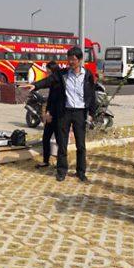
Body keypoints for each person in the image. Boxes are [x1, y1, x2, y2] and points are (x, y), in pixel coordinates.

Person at [28, 47, 97, 182]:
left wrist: (91, 113)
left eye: (73, 59)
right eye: (69, 59)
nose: (70, 62)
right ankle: (61, 171)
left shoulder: (88, 75)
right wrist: (35, 86)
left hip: (80, 113)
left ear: (80, 60)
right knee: (62, 143)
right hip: (64, 112)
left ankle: (81, 171)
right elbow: (48, 81)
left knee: (81, 145)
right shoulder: (62, 73)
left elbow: (91, 95)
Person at [36, 61, 61, 168]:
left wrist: (50, 114)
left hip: (58, 116)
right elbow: (50, 100)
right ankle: (46, 160)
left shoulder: (58, 83)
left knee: (60, 140)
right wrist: (47, 113)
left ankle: (61, 162)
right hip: (51, 115)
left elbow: (57, 102)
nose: (47, 73)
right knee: (46, 138)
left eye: (48, 71)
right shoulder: (53, 82)